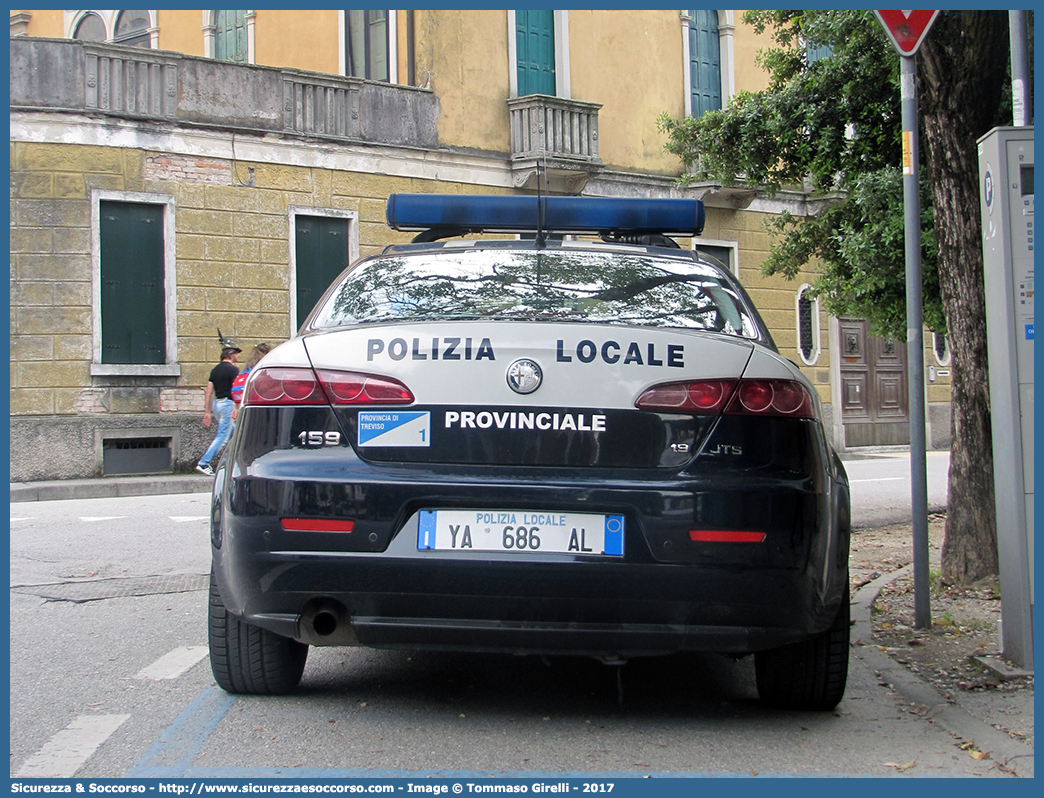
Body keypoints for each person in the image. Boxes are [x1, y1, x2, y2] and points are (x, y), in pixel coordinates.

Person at [196, 335, 241, 476]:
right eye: (236, 354)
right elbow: (237, 389)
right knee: (222, 436)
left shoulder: (215, 370)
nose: (237, 357)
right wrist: (236, 407)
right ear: (231, 354)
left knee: (235, 434)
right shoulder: (233, 370)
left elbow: (209, 392)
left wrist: (207, 412)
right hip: (228, 404)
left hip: (217, 404)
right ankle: (204, 463)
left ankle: (234, 463)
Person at [230, 342, 271, 420]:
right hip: (256, 408)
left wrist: (235, 407)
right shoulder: (262, 369)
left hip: (240, 405)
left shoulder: (247, 369)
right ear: (266, 354)